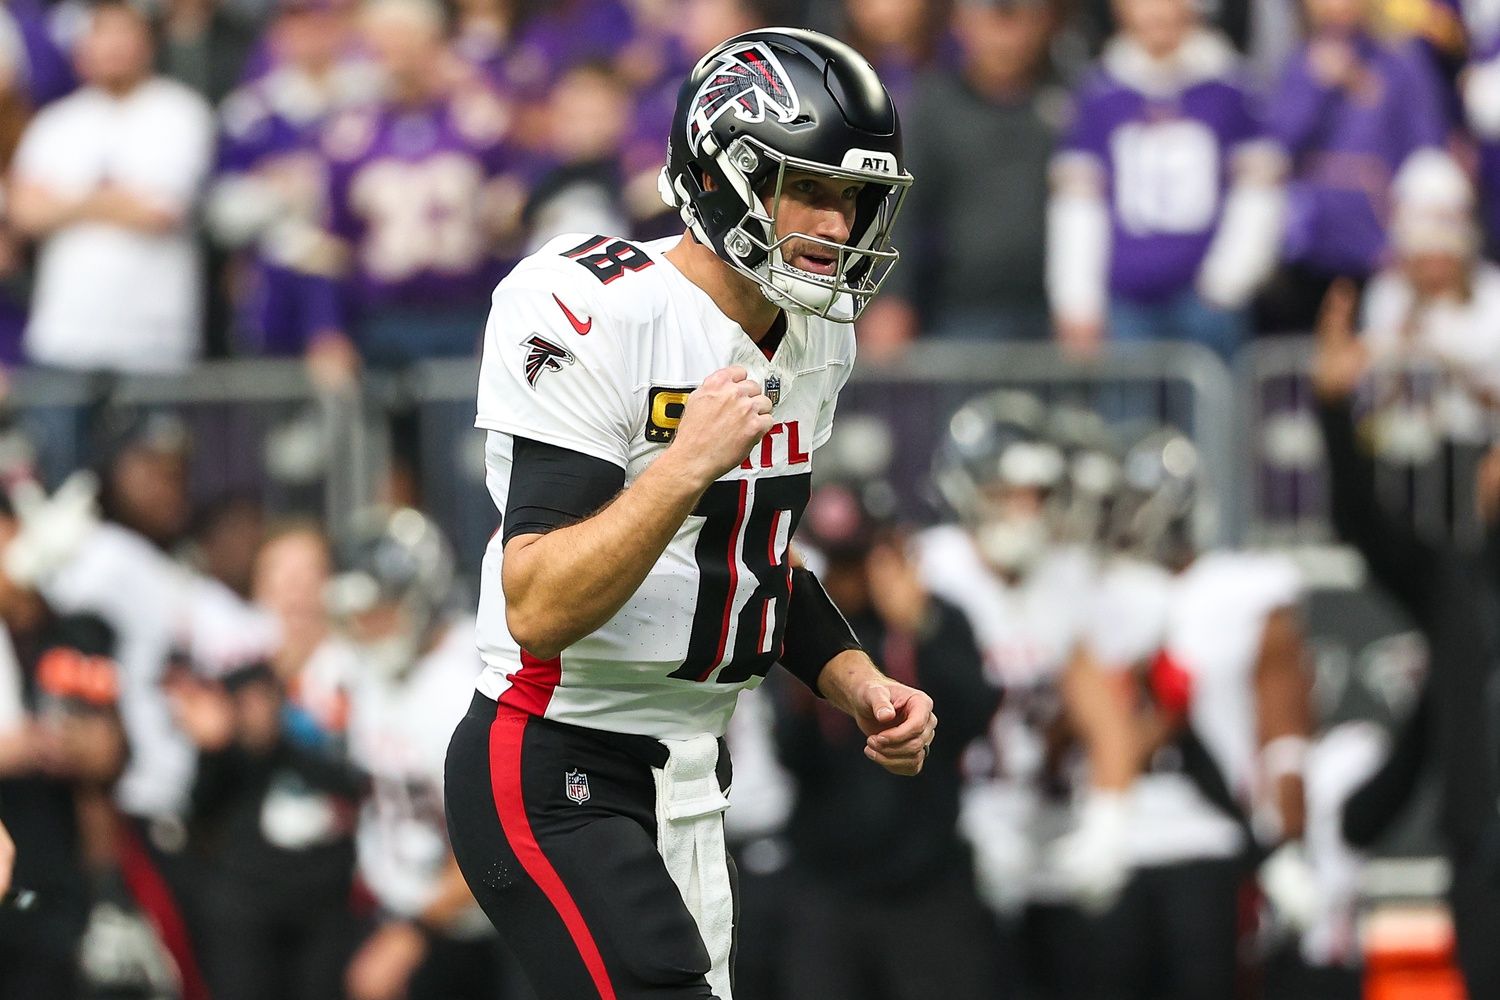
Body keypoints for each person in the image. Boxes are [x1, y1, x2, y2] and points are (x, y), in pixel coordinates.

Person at [444, 27, 933, 1000]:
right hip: (556, 755)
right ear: (724, 175)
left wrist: (855, 677)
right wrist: (682, 465)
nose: (838, 228)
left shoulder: (816, 333)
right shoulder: (590, 308)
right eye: (812, 190)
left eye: (854, 198)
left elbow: (752, 557)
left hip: (694, 770)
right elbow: (538, 600)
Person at [774, 481, 1000, 1000]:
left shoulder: (936, 617)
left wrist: (917, 624)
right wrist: (813, 674)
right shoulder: (801, 629)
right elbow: (793, 752)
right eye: (839, 563)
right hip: (826, 880)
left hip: (926, 878)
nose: (851, 578)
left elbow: (975, 716)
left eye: (861, 559)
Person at [1047, 0, 1285, 361]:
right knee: (1130, 416)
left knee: (1213, 412)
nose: (1157, 11)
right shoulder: (1099, 95)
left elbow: (1259, 192)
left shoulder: (1233, 88)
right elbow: (1078, 207)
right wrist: (1078, 301)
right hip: (1125, 304)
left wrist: (1229, 280)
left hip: (1207, 305)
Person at [8, 0, 214, 375]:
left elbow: (158, 213)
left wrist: (64, 203)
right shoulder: (55, 122)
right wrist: (112, 198)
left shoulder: (181, 112)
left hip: (154, 336)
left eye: (124, 33)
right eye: (101, 34)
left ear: (148, 43)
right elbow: (23, 214)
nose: (112, 47)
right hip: (64, 332)